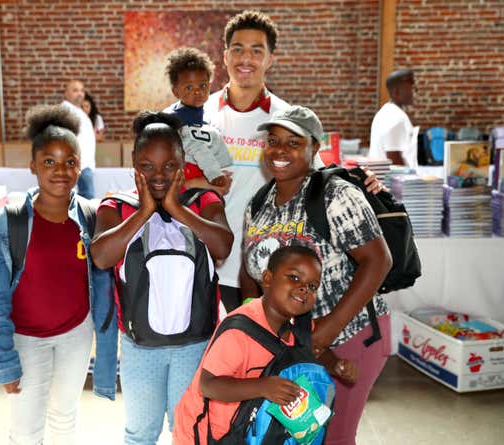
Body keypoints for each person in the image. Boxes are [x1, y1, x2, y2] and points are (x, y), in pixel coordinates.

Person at [189, 10, 384, 313]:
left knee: (262, 355)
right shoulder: (198, 114)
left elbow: (317, 177)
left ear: (270, 59)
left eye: (257, 50)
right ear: (225, 56)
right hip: (204, 259)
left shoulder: (285, 118)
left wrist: (361, 181)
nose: (246, 58)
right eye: (238, 49)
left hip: (263, 268)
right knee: (214, 356)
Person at [240, 105, 393, 445]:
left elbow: (378, 261)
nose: (280, 151)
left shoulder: (337, 195)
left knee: (333, 436)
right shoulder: (259, 203)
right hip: (291, 342)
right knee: (293, 433)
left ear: (314, 147)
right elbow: (249, 272)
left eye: (293, 142)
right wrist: (252, 330)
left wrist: (325, 332)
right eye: (273, 141)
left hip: (350, 336)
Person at [0, 104, 118, 444]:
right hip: (26, 340)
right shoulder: (8, 222)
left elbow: (103, 280)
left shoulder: (90, 216)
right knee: (26, 429)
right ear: (33, 166)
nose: (60, 171)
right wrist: (6, 361)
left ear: (80, 165)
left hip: (75, 334)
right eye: (49, 162)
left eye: (70, 161)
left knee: (65, 418)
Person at [90, 111, 233, 445]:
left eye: (170, 166)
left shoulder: (203, 202)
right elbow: (101, 256)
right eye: (147, 166)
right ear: (133, 165)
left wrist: (176, 209)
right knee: (141, 431)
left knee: (189, 428)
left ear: (183, 165)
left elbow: (223, 245)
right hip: (141, 346)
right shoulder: (116, 207)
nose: (158, 175)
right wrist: (144, 212)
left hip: (194, 343)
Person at [173, 245, 358, 444]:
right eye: (294, 277)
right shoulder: (239, 331)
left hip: (246, 428)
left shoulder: (299, 323)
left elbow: (312, 348)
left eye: (312, 286)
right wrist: (262, 387)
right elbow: (209, 385)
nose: (304, 288)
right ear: (268, 279)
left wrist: (336, 365)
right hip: (206, 433)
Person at [163, 47, 233, 191]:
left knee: (214, 210)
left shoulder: (209, 122)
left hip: (206, 184)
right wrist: (213, 175)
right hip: (178, 182)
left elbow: (219, 154)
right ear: (176, 92)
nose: (197, 91)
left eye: (202, 85)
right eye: (189, 87)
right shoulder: (170, 120)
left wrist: (222, 172)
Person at [369, 69, 418, 168]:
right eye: (410, 88)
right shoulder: (395, 117)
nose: (414, 92)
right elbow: (394, 161)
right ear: (397, 92)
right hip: (393, 181)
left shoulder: (387, 111)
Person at [62, 79, 96, 199]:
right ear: (66, 93)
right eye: (75, 90)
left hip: (85, 163)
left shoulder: (79, 111)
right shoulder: (65, 111)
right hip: (78, 163)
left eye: (82, 90)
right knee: (87, 198)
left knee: (85, 199)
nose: (80, 93)